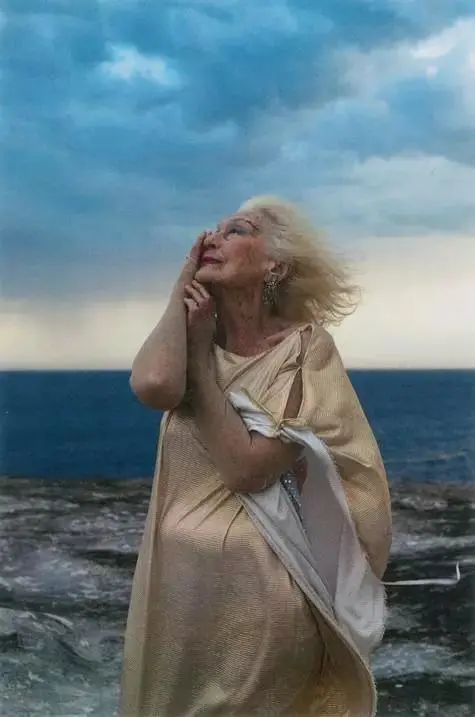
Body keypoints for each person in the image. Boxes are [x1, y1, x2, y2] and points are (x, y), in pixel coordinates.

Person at [118, 195, 393, 716]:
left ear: (275, 265)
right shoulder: (190, 339)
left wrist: (202, 369)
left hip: (262, 598)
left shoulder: (304, 349)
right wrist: (183, 285)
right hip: (178, 593)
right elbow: (154, 384)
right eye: (213, 230)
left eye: (237, 230)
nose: (213, 238)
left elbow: (247, 468)